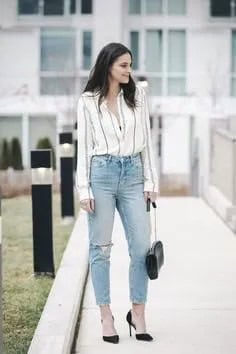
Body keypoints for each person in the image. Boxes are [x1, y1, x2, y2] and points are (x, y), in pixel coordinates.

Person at [76, 42, 158, 344]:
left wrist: (151, 182)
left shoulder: (138, 96)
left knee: (140, 246)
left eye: (130, 65)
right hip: (102, 175)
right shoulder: (87, 101)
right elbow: (84, 147)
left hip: (134, 176)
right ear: (108, 65)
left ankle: (137, 312)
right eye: (123, 65)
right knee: (101, 248)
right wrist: (83, 188)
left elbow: (147, 142)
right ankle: (106, 314)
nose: (129, 70)